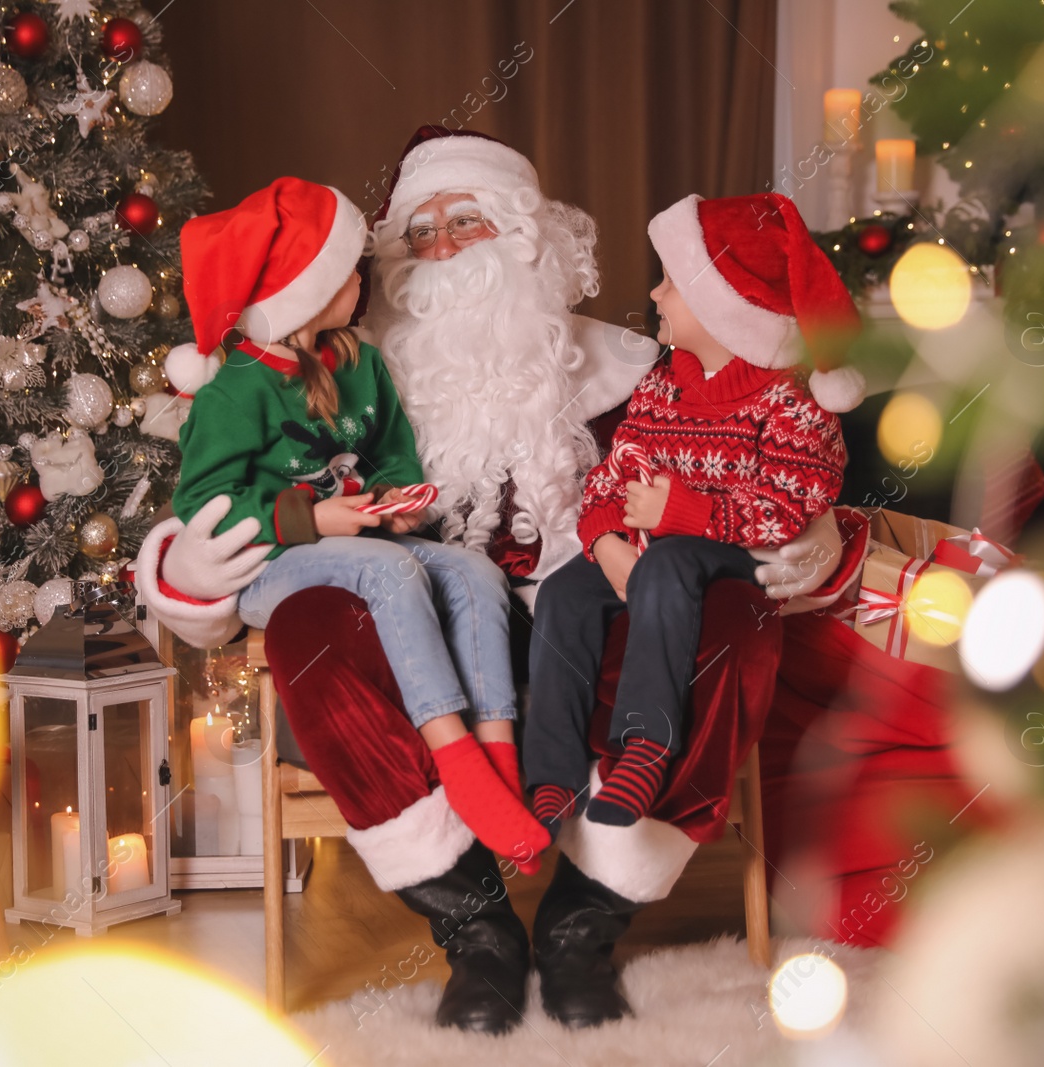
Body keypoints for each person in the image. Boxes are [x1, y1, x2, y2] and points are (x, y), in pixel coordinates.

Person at [137, 130, 861, 1034]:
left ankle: (582, 921)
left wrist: (798, 539)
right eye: (421, 232)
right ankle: (476, 929)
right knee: (309, 621)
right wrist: (194, 564)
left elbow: (755, 467)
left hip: (602, 623)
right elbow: (220, 490)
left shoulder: (631, 369)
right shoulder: (343, 368)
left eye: (466, 223)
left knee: (739, 618)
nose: (441, 250)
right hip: (421, 635)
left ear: (523, 236)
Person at [167, 177, 549, 873]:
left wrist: (391, 497)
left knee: (472, 570)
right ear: (302, 290)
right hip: (270, 566)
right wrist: (312, 516)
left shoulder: (361, 364)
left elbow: (392, 451)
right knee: (389, 567)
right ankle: (455, 757)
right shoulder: (234, 390)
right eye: (344, 270)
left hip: (361, 541)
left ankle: (500, 760)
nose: (360, 279)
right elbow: (203, 501)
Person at [526, 192, 859, 834]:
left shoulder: (790, 402)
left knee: (672, 561)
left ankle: (647, 745)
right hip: (654, 550)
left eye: (671, 283)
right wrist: (602, 541)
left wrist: (679, 510)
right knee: (567, 591)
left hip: (738, 559)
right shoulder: (663, 386)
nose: (654, 295)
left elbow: (788, 509)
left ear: (723, 306)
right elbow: (611, 477)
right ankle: (552, 772)